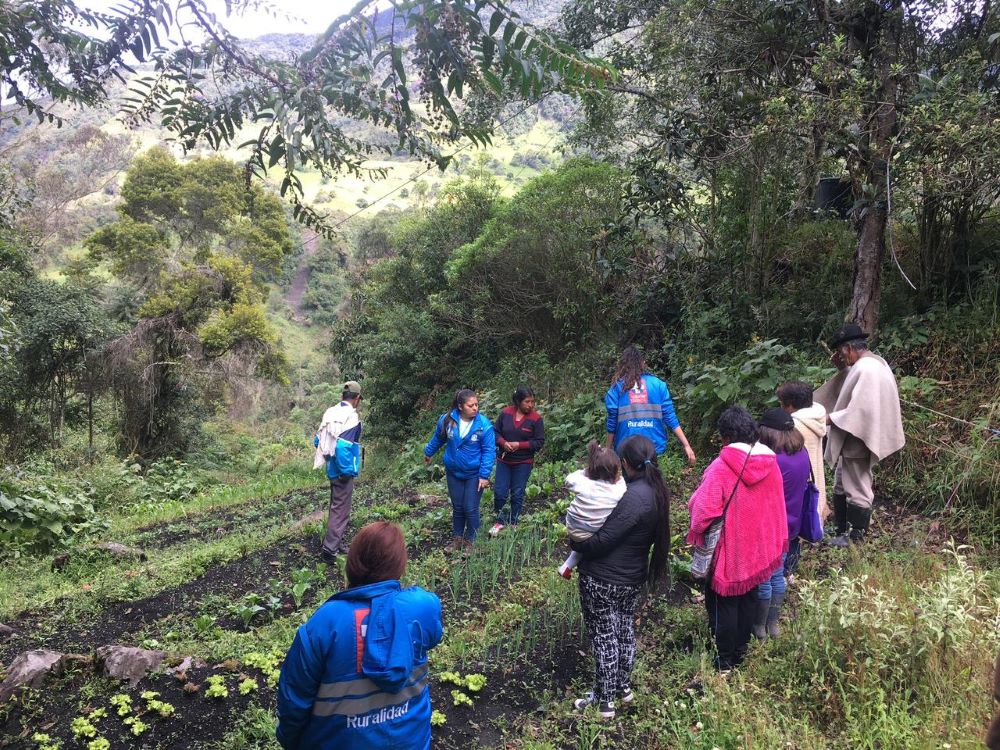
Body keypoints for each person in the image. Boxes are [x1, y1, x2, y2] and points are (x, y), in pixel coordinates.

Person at [276, 522, 443, 750]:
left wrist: (289, 740)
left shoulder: (326, 622)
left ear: (352, 563)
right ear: (400, 566)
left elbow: (294, 700)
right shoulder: (422, 608)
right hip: (411, 741)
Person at [569, 435, 671, 720]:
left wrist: (577, 544)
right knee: (624, 631)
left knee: (604, 638)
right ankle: (622, 688)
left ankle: (604, 701)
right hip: (631, 578)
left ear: (625, 464)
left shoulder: (633, 497)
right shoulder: (656, 491)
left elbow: (602, 541)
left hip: (603, 579)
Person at [687, 406, 787, 672]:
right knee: (748, 599)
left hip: (730, 548)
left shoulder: (721, 467)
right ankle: (741, 653)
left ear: (726, 437)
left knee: (724, 605)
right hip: (759, 547)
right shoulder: (771, 462)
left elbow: (702, 513)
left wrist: (695, 523)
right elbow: (776, 505)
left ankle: (724, 661)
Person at [815, 324, 905, 547]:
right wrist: (843, 370)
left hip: (859, 437)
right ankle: (841, 528)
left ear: (848, 348)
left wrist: (827, 418)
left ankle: (855, 537)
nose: (840, 357)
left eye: (840, 352)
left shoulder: (867, 369)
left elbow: (859, 410)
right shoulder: (874, 363)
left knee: (857, 487)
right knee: (841, 483)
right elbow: (856, 395)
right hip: (855, 436)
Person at [752, 408, 810, 639]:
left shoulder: (773, 460)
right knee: (778, 574)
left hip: (769, 525)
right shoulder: (802, 452)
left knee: (764, 577)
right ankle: (773, 624)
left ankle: (759, 627)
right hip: (791, 524)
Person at [423, 389, 495, 552]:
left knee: (470, 507)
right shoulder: (448, 420)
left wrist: (484, 475)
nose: (475, 408)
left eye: (477, 404)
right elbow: (439, 438)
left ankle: (472, 541)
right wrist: (428, 452)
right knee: (458, 507)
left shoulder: (483, 425)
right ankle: (457, 539)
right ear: (460, 406)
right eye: (471, 405)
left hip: (474, 474)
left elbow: (489, 451)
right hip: (453, 471)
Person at [604, 345, 696, 466]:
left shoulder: (616, 388)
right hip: (653, 446)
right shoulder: (659, 385)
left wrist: (608, 450)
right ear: (643, 364)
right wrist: (686, 445)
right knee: (653, 480)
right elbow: (670, 417)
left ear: (622, 365)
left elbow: (612, 423)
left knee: (630, 483)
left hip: (626, 448)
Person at [558, 441, 627, 578]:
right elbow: (622, 483)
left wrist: (585, 472)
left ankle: (567, 566)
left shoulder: (583, 483)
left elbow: (568, 479)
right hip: (593, 531)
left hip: (572, 526)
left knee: (581, 539)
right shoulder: (617, 489)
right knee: (606, 522)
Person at [313, 380, 363, 563]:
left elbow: (318, 442)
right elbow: (343, 446)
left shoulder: (330, 412)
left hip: (331, 468)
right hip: (342, 471)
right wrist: (346, 470)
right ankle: (329, 550)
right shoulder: (351, 416)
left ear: (343, 396)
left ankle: (336, 543)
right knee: (341, 510)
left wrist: (332, 463)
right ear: (357, 398)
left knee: (336, 506)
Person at [489, 385, 545, 536]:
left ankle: (514, 522)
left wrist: (519, 445)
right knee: (500, 492)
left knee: (517, 492)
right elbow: (494, 432)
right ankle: (500, 520)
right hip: (504, 460)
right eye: (527, 401)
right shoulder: (506, 413)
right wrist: (502, 443)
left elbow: (539, 442)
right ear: (518, 401)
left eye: (532, 401)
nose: (530, 405)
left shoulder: (536, 419)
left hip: (523, 462)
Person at [777, 380, 829, 525]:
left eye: (782, 403)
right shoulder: (816, 417)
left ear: (791, 404)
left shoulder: (795, 426)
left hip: (800, 485)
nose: (781, 408)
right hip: (814, 479)